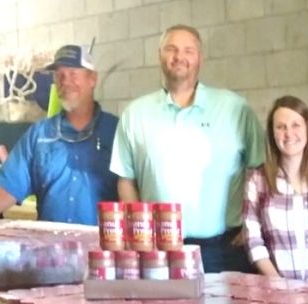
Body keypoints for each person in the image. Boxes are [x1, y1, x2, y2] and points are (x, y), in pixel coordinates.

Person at [111, 25, 264, 272]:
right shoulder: (134, 115)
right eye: (171, 49)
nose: (179, 57)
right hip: (159, 251)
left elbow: (260, 170)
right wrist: (141, 233)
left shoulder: (235, 108)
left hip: (226, 249)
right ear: (159, 56)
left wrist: (253, 225)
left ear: (200, 58)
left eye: (188, 50)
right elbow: (126, 180)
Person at [0, 44, 117, 225]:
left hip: (103, 248)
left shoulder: (117, 132)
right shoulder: (39, 135)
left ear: (92, 79)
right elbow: (9, 187)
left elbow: (133, 192)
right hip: (52, 249)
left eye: (73, 74)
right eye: (59, 75)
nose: (65, 81)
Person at [242, 95, 308, 282]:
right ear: (272, 133)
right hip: (275, 294)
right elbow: (254, 243)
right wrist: (280, 286)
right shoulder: (257, 180)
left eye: (295, 125)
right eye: (281, 127)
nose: (288, 133)